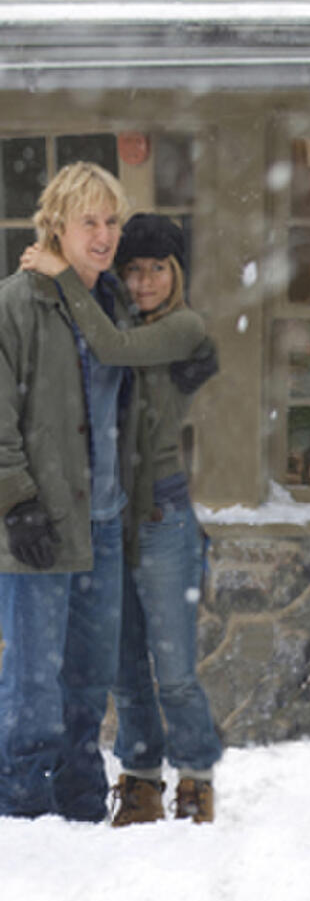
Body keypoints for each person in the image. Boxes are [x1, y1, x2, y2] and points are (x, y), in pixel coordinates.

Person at [22, 214, 223, 825]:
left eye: (157, 268)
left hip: (162, 514)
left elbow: (113, 348)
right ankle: (140, 779)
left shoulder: (183, 327)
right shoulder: (115, 315)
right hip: (112, 513)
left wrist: (63, 278)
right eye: (132, 269)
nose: (143, 282)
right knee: (125, 669)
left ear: (176, 272)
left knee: (176, 671)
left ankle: (195, 778)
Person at [0, 161, 136, 821]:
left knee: (88, 675)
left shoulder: (114, 304)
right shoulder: (16, 304)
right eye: (90, 221)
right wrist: (16, 499)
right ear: (57, 225)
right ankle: (21, 798)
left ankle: (80, 791)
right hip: (40, 520)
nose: (104, 234)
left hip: (106, 519)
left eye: (111, 221)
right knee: (31, 677)